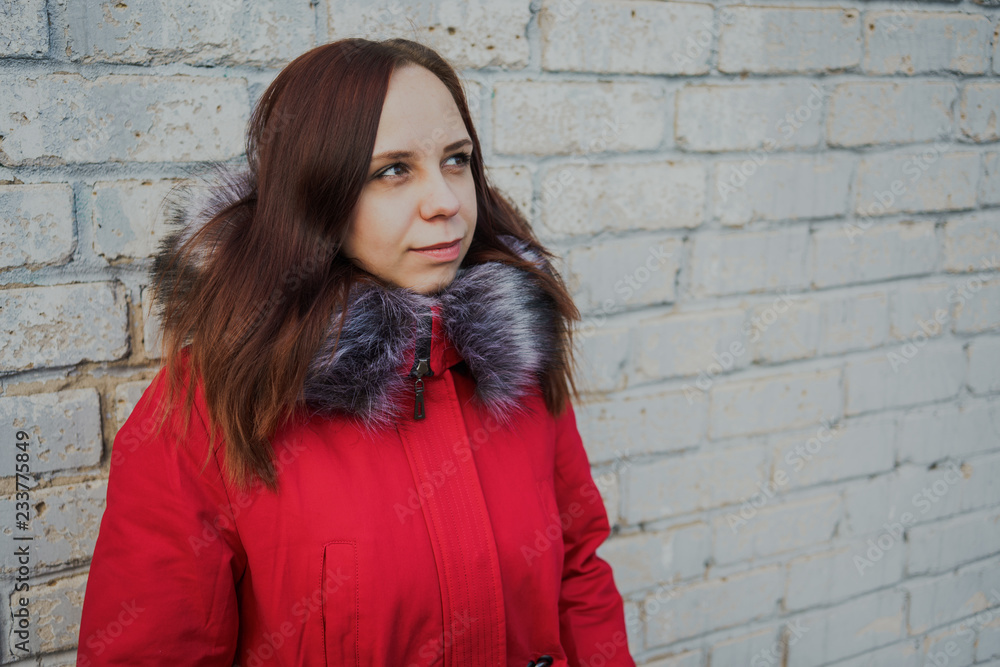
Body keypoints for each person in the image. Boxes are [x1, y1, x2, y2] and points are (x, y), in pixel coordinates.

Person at [76, 37, 635, 666]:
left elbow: (579, 576)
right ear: (317, 197)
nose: (446, 202)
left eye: (456, 160)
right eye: (392, 170)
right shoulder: (212, 405)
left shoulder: (515, 365)